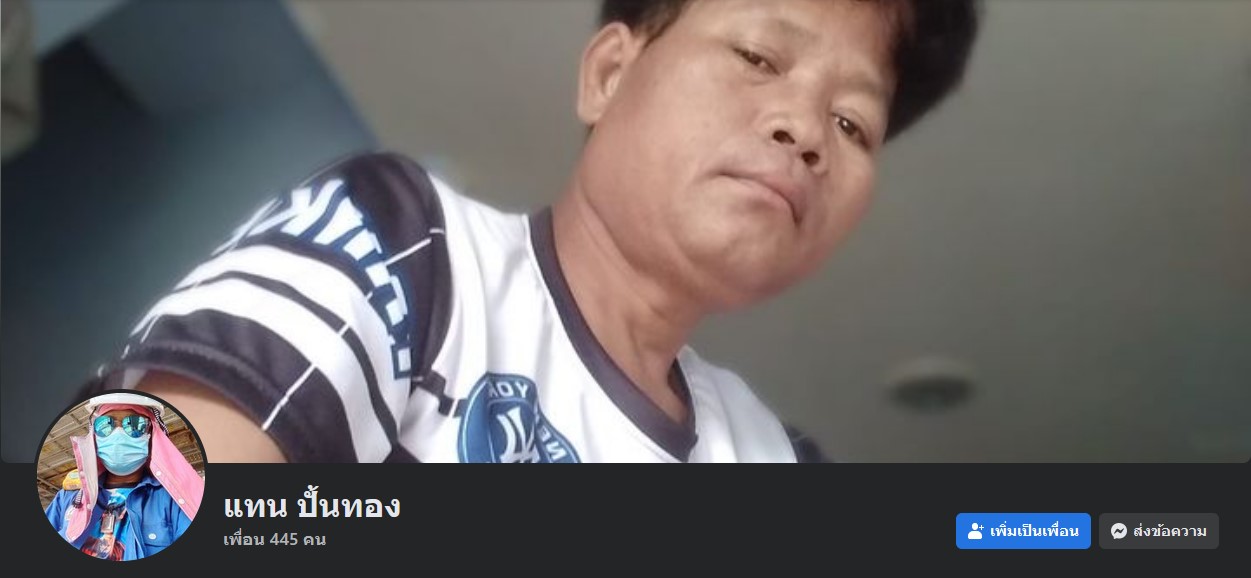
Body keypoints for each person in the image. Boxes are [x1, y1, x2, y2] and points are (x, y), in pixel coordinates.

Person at [79, 0, 980, 462]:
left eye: (852, 123)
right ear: (610, 73)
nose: (805, 129)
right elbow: (111, 515)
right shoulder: (406, 246)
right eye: (757, 56)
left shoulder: (773, 460)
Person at [45, 393, 203, 560]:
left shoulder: (174, 501)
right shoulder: (68, 497)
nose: (118, 434)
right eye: (106, 424)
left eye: (134, 424)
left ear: (151, 433)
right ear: (94, 435)